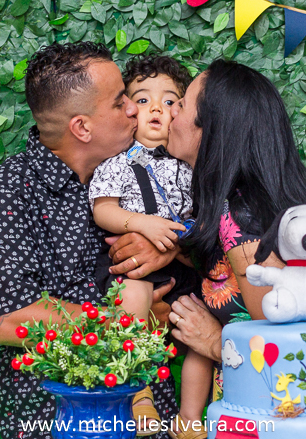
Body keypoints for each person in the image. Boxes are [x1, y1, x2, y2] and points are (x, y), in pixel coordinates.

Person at [0, 43, 178, 439]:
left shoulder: (138, 170)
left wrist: (168, 245)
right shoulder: (7, 193)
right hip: (54, 418)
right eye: (119, 103)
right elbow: (3, 319)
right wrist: (124, 325)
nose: (134, 109)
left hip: (150, 414)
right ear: (81, 127)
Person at [104, 59, 306, 401]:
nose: (170, 113)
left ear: (212, 129)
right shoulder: (227, 205)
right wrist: (170, 247)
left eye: (181, 104)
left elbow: (294, 360)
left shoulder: (243, 222)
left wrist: (212, 342)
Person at [89, 56, 210, 439]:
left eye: (171, 100)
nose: (157, 108)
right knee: (132, 294)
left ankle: (190, 418)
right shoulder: (118, 163)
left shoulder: (194, 166)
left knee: (201, 328)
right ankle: (139, 394)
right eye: (142, 100)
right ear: (127, 111)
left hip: (185, 267)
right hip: (134, 268)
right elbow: (103, 209)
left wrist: (181, 241)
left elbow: (206, 219)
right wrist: (140, 223)